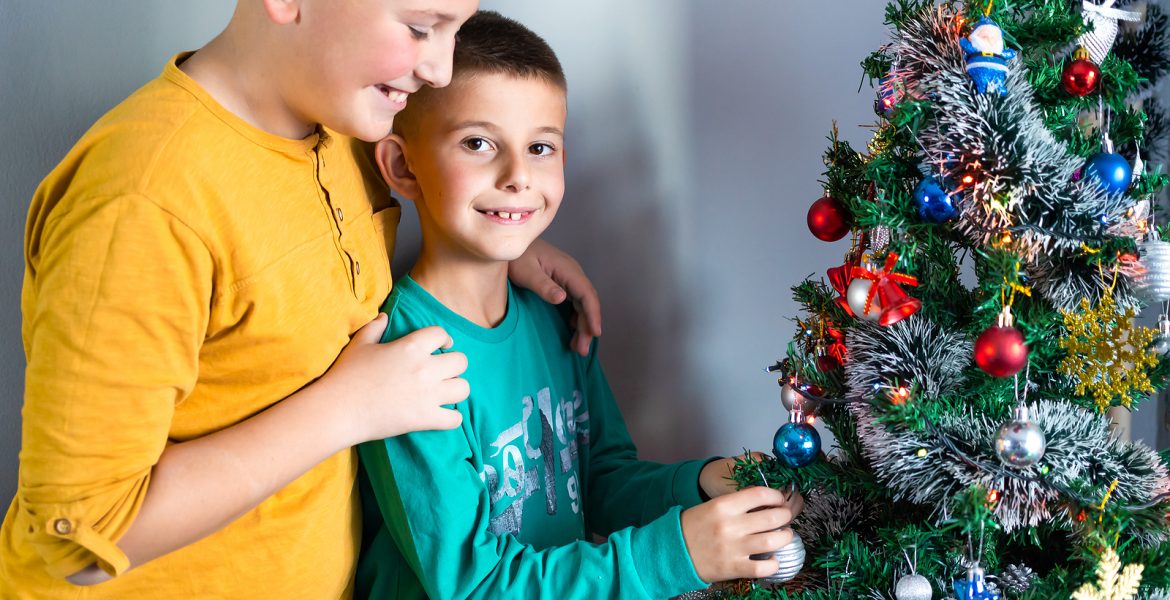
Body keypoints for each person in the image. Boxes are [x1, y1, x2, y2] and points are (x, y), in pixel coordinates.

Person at [0, 1, 604, 598]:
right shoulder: (143, 202)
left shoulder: (343, 132)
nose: (440, 69)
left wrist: (505, 247)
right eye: (421, 28)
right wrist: (344, 410)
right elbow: (79, 537)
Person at [358, 11, 803, 599]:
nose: (518, 176)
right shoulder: (407, 361)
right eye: (478, 143)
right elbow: (474, 586)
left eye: (541, 146)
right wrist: (679, 552)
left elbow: (599, 483)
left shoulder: (555, 315)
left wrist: (695, 486)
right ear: (401, 165)